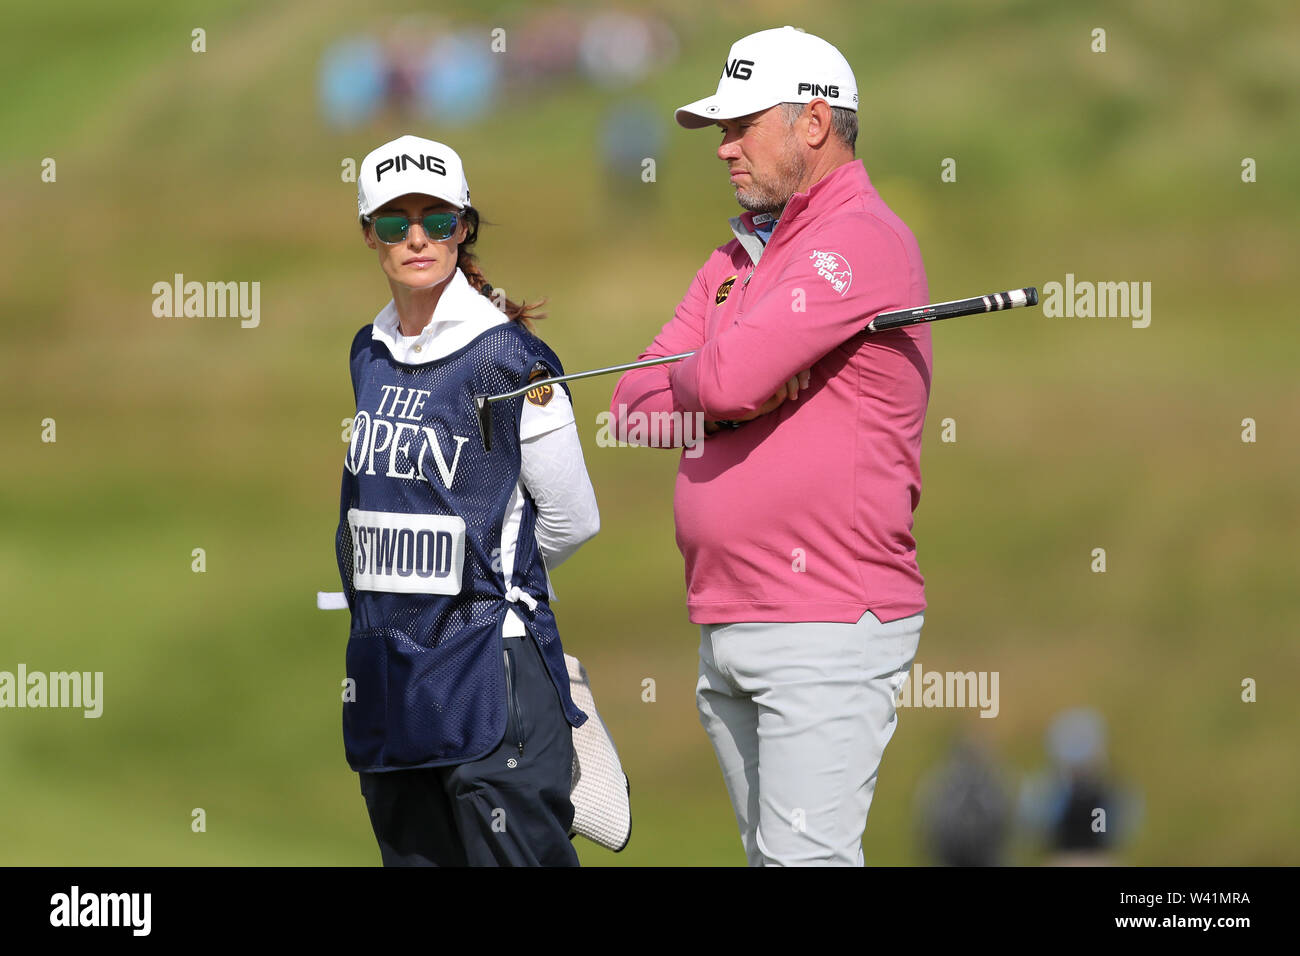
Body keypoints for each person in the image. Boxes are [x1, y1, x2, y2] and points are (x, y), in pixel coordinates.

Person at [610, 26, 933, 866]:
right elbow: (630, 407)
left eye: (741, 125)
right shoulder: (736, 254)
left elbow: (718, 379)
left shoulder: (860, 237)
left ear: (813, 124)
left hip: (824, 613)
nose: (723, 149)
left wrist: (715, 382)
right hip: (728, 615)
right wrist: (719, 399)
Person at [335, 134, 600, 866]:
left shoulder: (507, 356)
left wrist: (488, 578)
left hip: (493, 676)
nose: (416, 237)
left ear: (464, 227)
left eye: (437, 219)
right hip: (392, 685)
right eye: (395, 222)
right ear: (369, 234)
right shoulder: (370, 352)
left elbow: (575, 519)